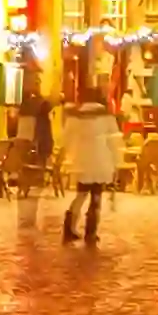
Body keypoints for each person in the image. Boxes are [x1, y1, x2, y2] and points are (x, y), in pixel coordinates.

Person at [61, 85, 123, 243]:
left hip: (82, 158)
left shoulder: (76, 114)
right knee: (97, 195)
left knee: (81, 194)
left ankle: (69, 227)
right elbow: (114, 139)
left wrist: (63, 155)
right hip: (101, 158)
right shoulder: (105, 115)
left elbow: (67, 137)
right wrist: (116, 160)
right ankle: (91, 231)